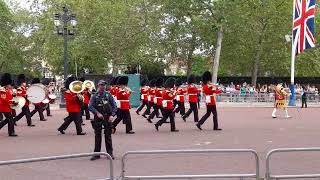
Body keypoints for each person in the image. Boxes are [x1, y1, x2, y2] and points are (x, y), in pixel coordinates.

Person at [89, 80, 117, 161]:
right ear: (98, 86)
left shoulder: (108, 95)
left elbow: (114, 106)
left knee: (108, 135)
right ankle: (96, 154)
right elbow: (90, 106)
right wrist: (97, 113)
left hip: (107, 117)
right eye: (101, 85)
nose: (103, 86)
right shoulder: (94, 96)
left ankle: (110, 153)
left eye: (104, 85)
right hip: (98, 117)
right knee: (97, 135)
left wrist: (112, 115)